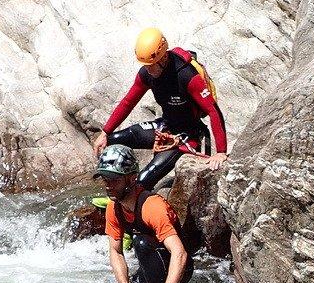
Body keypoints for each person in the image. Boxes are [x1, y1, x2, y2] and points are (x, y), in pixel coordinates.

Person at [92, 27, 228, 189]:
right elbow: (128, 102)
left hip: (185, 138)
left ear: (163, 59)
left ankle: (130, 194)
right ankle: (116, 185)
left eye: (151, 65)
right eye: (146, 65)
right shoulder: (146, 73)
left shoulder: (186, 76)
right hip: (165, 125)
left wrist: (221, 152)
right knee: (110, 142)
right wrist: (105, 132)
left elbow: (214, 111)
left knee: (142, 181)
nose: (147, 69)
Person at [95, 145, 193, 283]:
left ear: (132, 178)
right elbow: (116, 252)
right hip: (150, 261)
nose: (108, 185)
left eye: (114, 179)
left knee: (140, 243)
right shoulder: (113, 208)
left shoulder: (153, 206)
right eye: (105, 179)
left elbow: (180, 253)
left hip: (178, 265)